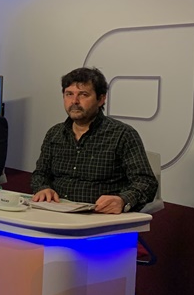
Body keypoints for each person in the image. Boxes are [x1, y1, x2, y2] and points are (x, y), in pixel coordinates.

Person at [31, 66, 157, 214]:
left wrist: (122, 200)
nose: (74, 101)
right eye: (69, 94)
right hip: (56, 213)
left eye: (83, 94)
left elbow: (146, 182)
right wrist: (42, 188)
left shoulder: (123, 134)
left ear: (101, 99)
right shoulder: (54, 133)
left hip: (99, 216)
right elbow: (40, 174)